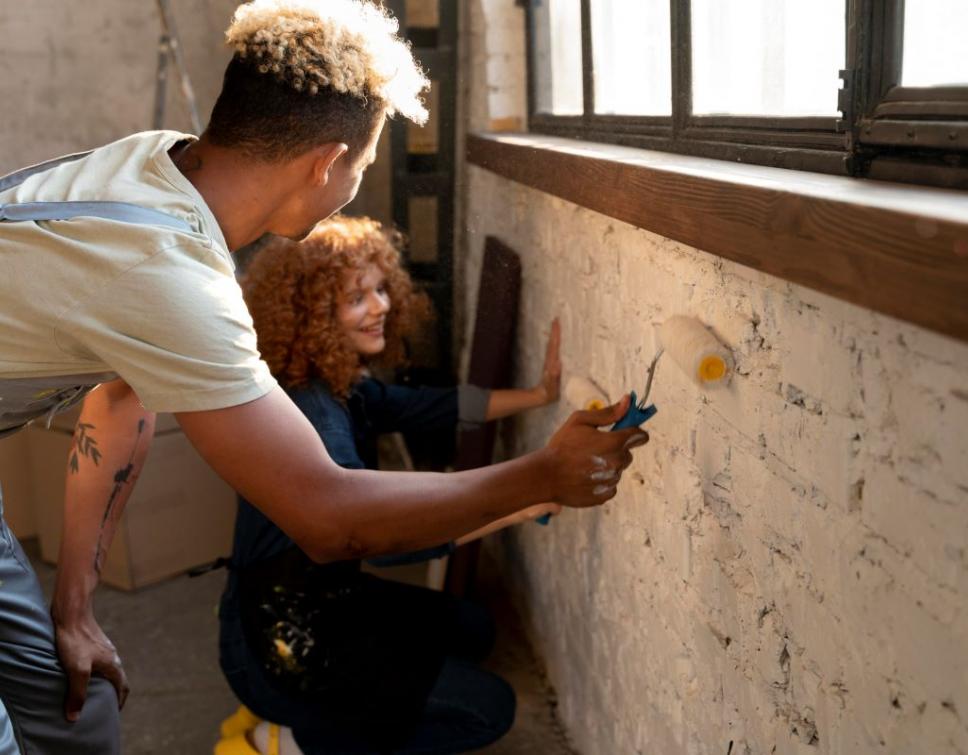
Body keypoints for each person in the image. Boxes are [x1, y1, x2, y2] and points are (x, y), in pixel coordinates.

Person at [0, 2, 648, 752]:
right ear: (325, 162)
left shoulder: (158, 165)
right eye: (362, 168)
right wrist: (543, 474)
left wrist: (75, 609)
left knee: (76, 714)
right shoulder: (170, 276)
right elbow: (329, 518)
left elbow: (120, 396)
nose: (355, 183)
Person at [216, 216, 563, 754]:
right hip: (279, 640)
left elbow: (435, 407)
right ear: (312, 315)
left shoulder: (341, 384)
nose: (380, 306)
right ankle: (290, 740)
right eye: (357, 297)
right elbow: (378, 536)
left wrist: (539, 395)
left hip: (323, 598)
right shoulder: (313, 412)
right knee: (487, 710)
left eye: (380, 289)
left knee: (473, 629)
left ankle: (338, 714)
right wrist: (513, 505)